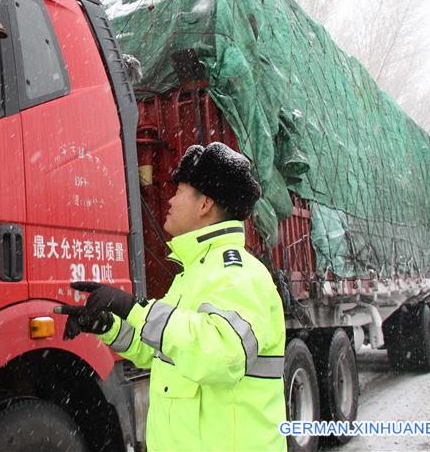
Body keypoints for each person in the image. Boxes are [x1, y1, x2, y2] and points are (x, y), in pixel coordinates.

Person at [55, 142, 287, 452]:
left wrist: (135, 307)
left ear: (204, 204)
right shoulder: (193, 275)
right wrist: (109, 326)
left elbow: (219, 356)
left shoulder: (239, 274)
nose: (170, 200)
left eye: (179, 191)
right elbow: (164, 351)